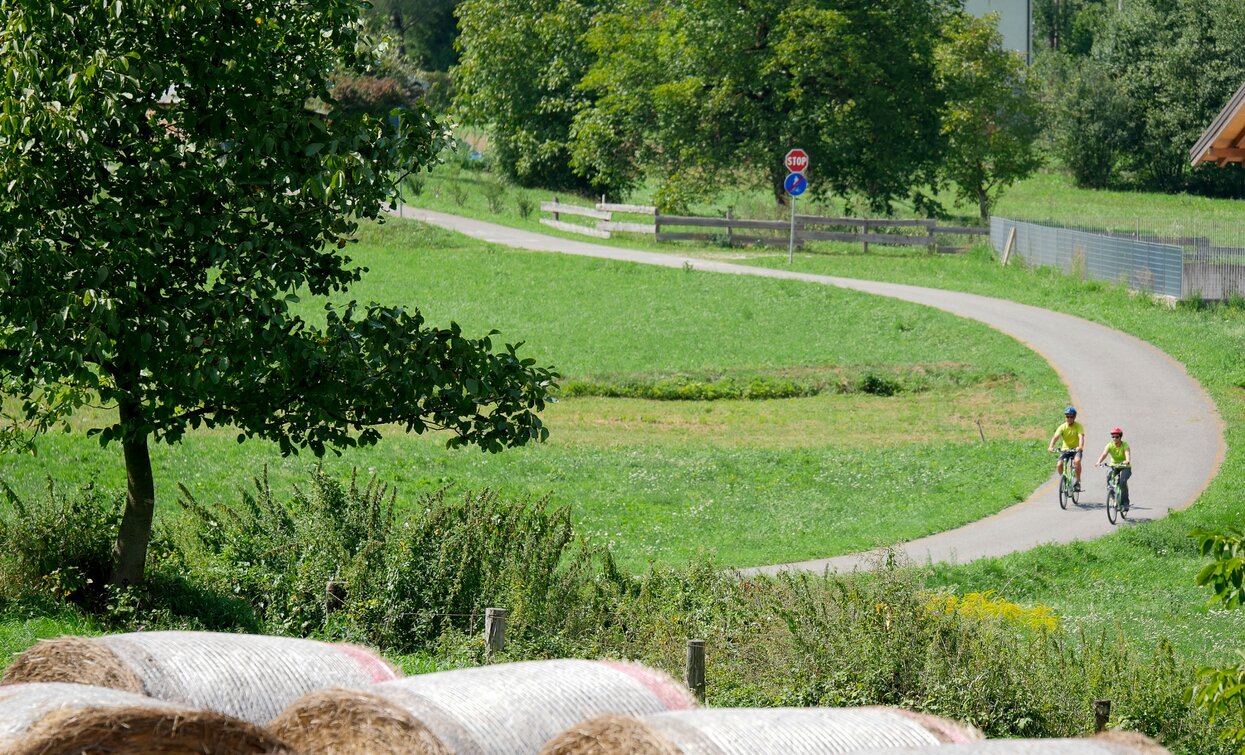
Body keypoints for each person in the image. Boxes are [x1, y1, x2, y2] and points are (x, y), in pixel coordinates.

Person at [1047, 406, 1085, 491]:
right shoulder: (1062, 427)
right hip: (1065, 449)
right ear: (1065, 417)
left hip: (1076, 449)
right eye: (1067, 416)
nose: (1069, 418)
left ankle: (1078, 481)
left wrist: (1080, 447)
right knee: (1059, 465)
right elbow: (1055, 437)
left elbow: (1081, 437)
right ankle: (1064, 480)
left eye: (1071, 417)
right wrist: (1051, 447)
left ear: (1074, 417)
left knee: (1077, 461)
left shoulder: (1078, 426)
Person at [1095, 427, 1133, 509]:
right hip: (1114, 465)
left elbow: (1127, 454)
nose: (1114, 438)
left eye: (1117, 437)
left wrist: (1127, 460)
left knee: (1122, 482)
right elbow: (1104, 454)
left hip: (1125, 466)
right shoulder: (1110, 445)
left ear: (1120, 437)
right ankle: (1112, 495)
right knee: (1108, 475)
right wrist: (1099, 462)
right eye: (1113, 437)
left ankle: (1125, 503)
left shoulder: (1125, 445)